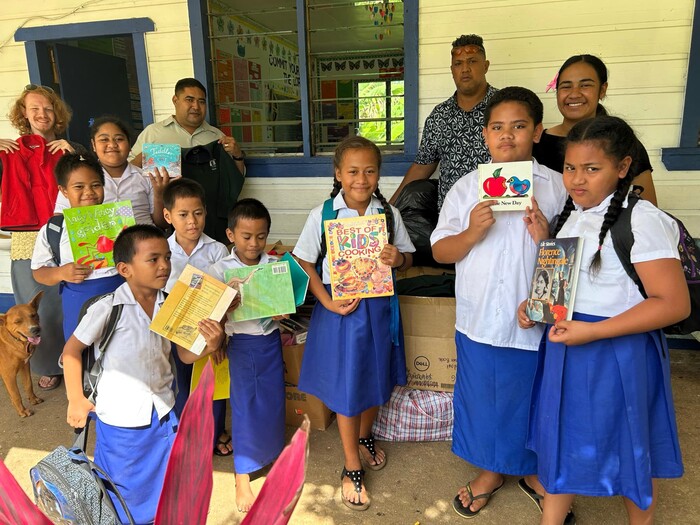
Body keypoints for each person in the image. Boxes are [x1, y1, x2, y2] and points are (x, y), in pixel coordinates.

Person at [519, 116, 687, 525]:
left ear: (623, 167)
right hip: (568, 346)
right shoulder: (572, 215)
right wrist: (535, 307)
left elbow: (673, 304)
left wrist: (594, 331)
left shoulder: (643, 220)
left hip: (617, 350)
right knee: (562, 439)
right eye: (570, 168)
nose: (577, 179)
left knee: (629, 444)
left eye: (592, 169)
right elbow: (569, 285)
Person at [430, 87, 569, 520]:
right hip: (480, 316)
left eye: (519, 126)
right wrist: (472, 231)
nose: (507, 135)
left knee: (533, 399)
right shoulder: (465, 188)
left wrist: (546, 237)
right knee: (484, 399)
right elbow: (440, 251)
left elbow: (572, 258)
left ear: (538, 132)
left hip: (534, 319)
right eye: (497, 127)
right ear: (485, 134)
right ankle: (490, 471)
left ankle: (533, 472)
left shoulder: (559, 186)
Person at [63, 224, 225, 524]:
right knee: (122, 492)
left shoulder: (171, 305)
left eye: (167, 257)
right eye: (153, 259)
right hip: (121, 421)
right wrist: (76, 400)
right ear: (125, 269)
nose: (164, 265)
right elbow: (71, 351)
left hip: (163, 414)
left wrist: (210, 345)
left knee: (166, 487)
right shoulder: (108, 308)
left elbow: (183, 355)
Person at [293, 136, 415, 511]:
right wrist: (326, 301)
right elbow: (303, 260)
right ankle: (351, 465)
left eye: (369, 171)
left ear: (379, 174)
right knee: (348, 386)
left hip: (380, 310)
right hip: (342, 311)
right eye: (352, 171)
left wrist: (397, 259)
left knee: (375, 378)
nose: (361, 179)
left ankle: (364, 436)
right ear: (338, 173)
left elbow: (408, 258)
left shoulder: (388, 215)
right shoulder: (323, 214)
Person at [0, 85, 86, 391]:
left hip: (68, 229)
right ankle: (49, 364)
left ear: (57, 113)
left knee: (74, 298)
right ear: (23, 113)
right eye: (34, 108)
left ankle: (82, 360)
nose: (42, 114)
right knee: (38, 305)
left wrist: (75, 153)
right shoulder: (8, 151)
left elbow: (94, 178)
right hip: (27, 235)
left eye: (48, 108)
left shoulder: (71, 147)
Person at [207, 198, 286, 513]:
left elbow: (285, 306)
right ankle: (242, 475)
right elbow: (208, 316)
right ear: (230, 235)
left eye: (261, 236)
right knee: (244, 407)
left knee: (272, 402)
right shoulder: (220, 270)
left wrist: (282, 312)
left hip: (270, 342)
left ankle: (271, 455)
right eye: (246, 236)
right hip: (241, 345)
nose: (254, 243)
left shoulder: (274, 265)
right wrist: (226, 309)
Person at [162, 178, 231, 456]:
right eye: (183, 214)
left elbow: (225, 295)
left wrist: (220, 335)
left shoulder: (217, 250)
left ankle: (214, 432)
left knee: (212, 382)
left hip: (210, 327)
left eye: (198, 213)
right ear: (168, 216)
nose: (192, 221)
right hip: (174, 329)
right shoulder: (162, 251)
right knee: (179, 383)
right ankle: (184, 434)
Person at [130, 78, 246, 243]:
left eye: (201, 101)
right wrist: (146, 157)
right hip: (171, 221)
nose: (196, 106)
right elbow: (130, 171)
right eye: (189, 100)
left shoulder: (217, 137)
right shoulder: (153, 133)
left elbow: (233, 179)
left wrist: (237, 155)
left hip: (211, 219)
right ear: (175, 100)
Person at [533, 54, 658, 206]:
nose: (574, 94)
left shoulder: (622, 142)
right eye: (566, 86)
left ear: (602, 90)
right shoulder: (535, 144)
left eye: (585, 85)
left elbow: (647, 208)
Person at [390, 34, 497, 209]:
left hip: (498, 214)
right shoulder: (440, 116)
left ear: (485, 66)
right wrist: (390, 208)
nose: (465, 69)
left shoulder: (504, 108)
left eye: (472, 61)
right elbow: (422, 166)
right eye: (458, 63)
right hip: (451, 217)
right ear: (452, 70)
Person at [31, 154, 124, 339]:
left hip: (121, 293)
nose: (89, 192)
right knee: (80, 347)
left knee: (122, 343)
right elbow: (38, 271)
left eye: (95, 185)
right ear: (64, 191)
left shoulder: (120, 219)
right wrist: (61, 272)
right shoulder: (54, 229)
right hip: (78, 299)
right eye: (79, 187)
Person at [54, 116, 169, 227]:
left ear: (129, 144)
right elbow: (59, 219)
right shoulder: (78, 179)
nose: (112, 145)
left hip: (145, 237)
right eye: (104, 139)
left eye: (119, 139)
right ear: (94, 145)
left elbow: (162, 224)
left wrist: (159, 194)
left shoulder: (147, 177)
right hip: (97, 238)